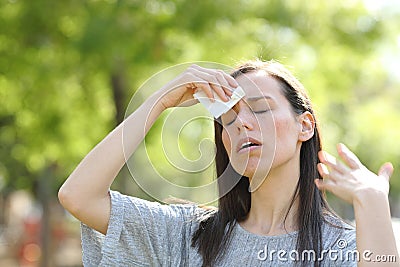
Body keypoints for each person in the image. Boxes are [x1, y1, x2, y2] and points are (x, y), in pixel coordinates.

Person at [58, 60, 399, 266]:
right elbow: (79, 196)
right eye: (229, 119)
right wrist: (160, 101)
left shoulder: (344, 247)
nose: (242, 124)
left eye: (261, 109)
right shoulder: (188, 234)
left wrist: (372, 201)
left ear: (304, 126)